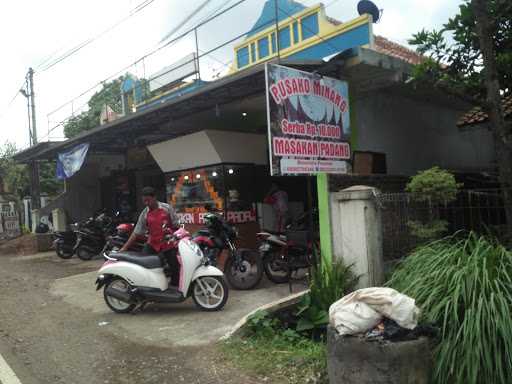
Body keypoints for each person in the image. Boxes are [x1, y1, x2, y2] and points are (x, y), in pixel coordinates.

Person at [120, 187, 181, 287]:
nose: (146, 203)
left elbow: (176, 224)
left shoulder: (167, 208)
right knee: (142, 264)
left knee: (174, 266)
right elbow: (136, 232)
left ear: (155, 197)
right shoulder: (145, 213)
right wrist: (124, 248)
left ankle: (174, 286)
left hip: (168, 242)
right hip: (152, 243)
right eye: (144, 201)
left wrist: (182, 235)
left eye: (148, 200)